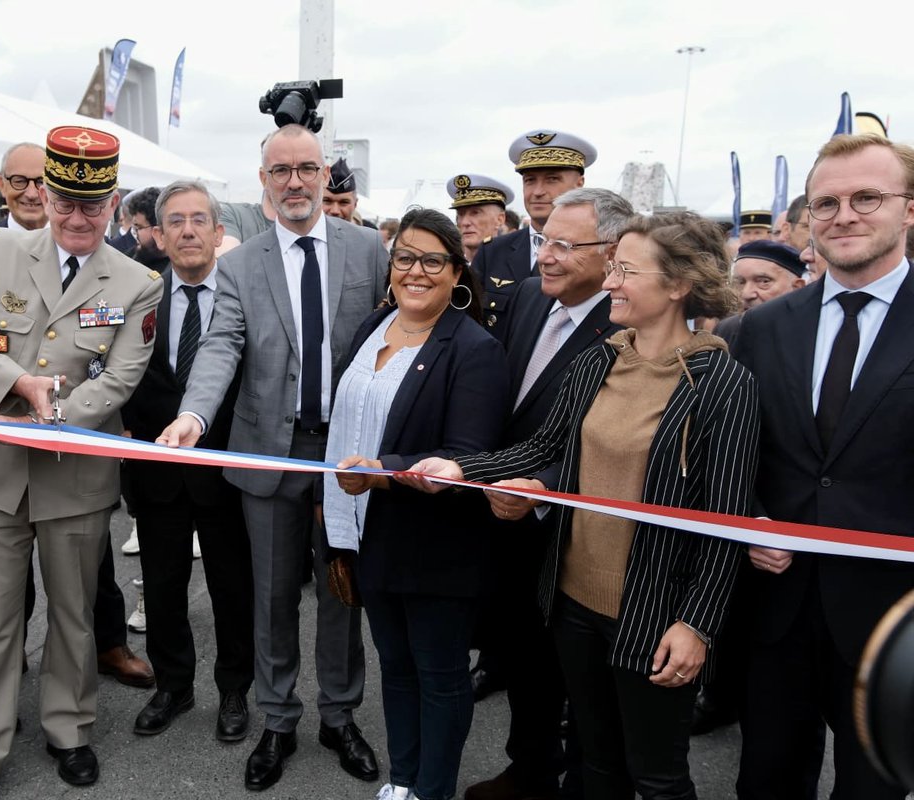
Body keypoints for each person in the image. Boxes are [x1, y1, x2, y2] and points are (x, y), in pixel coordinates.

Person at [405, 211, 758, 799]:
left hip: (654, 614)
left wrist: (696, 624)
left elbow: (723, 521)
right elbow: (544, 446)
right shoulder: (599, 360)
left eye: (625, 270)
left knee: (658, 776)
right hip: (573, 605)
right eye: (612, 267)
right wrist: (459, 468)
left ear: (677, 285)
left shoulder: (722, 384)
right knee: (597, 764)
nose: (611, 282)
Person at [157, 123, 389, 792]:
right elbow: (222, 346)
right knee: (272, 596)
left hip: (345, 459)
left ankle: (339, 716)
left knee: (343, 595)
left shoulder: (369, 250)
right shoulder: (241, 264)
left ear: (325, 177)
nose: (294, 181)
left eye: (306, 169)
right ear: (263, 181)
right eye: (281, 170)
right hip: (268, 456)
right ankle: (279, 718)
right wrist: (194, 415)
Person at [0, 125, 163, 800]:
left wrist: (49, 416)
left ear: (113, 202)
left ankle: (69, 729)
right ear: (46, 191)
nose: (74, 216)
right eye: (64, 199)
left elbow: (119, 381)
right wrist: (20, 386)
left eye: (92, 206)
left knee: (73, 613)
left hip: (76, 472)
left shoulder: (138, 282)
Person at [734, 133, 914, 800]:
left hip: (894, 617)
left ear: (909, 209)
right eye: (825, 202)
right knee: (768, 777)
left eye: (867, 196)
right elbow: (743, 452)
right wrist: (748, 517)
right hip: (778, 608)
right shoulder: (764, 326)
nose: (843, 215)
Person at [324, 207, 508, 800]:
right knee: (395, 667)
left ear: (458, 273)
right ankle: (403, 778)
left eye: (433, 260)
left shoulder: (474, 349)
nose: (416, 271)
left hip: (434, 542)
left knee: (440, 675)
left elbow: (467, 455)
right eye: (405, 257)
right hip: (365, 531)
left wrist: (383, 475)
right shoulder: (373, 326)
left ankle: (434, 789)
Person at [466, 188, 634, 800]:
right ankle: (530, 769)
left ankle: (585, 777)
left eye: (565, 245)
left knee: (582, 677)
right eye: (544, 242)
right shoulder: (531, 304)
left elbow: (621, 444)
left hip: (578, 534)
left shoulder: (627, 329)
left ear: (612, 253)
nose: (547, 258)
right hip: (508, 518)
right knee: (528, 660)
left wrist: (544, 488)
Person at [120, 180, 255, 741]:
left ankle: (233, 691)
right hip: (156, 473)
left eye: (200, 219)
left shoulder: (247, 298)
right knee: (163, 583)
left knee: (232, 586)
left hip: (225, 472)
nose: (188, 230)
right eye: (174, 221)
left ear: (219, 232)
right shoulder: (140, 297)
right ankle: (173, 686)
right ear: (158, 234)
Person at [470, 130, 595, 335]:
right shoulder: (492, 252)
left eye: (552, 179)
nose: (537, 191)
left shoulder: (595, 253)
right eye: (529, 180)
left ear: (579, 184)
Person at [713, 240, 805, 350]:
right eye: (740, 282)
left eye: (764, 282)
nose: (746, 294)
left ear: (797, 287)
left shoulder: (812, 335)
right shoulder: (726, 331)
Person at [447, 173, 514, 264]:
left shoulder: (516, 268)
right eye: (461, 214)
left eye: (475, 213)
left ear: (500, 220)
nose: (464, 222)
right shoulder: (449, 269)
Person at [0, 142, 47, 230]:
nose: (31, 195)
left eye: (41, 182)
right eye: (20, 181)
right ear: (2, 185)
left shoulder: (73, 242)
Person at [323, 158, 359, 222]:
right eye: (327, 201)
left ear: (355, 204)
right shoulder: (303, 231)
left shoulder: (370, 230)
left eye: (344, 202)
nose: (335, 211)